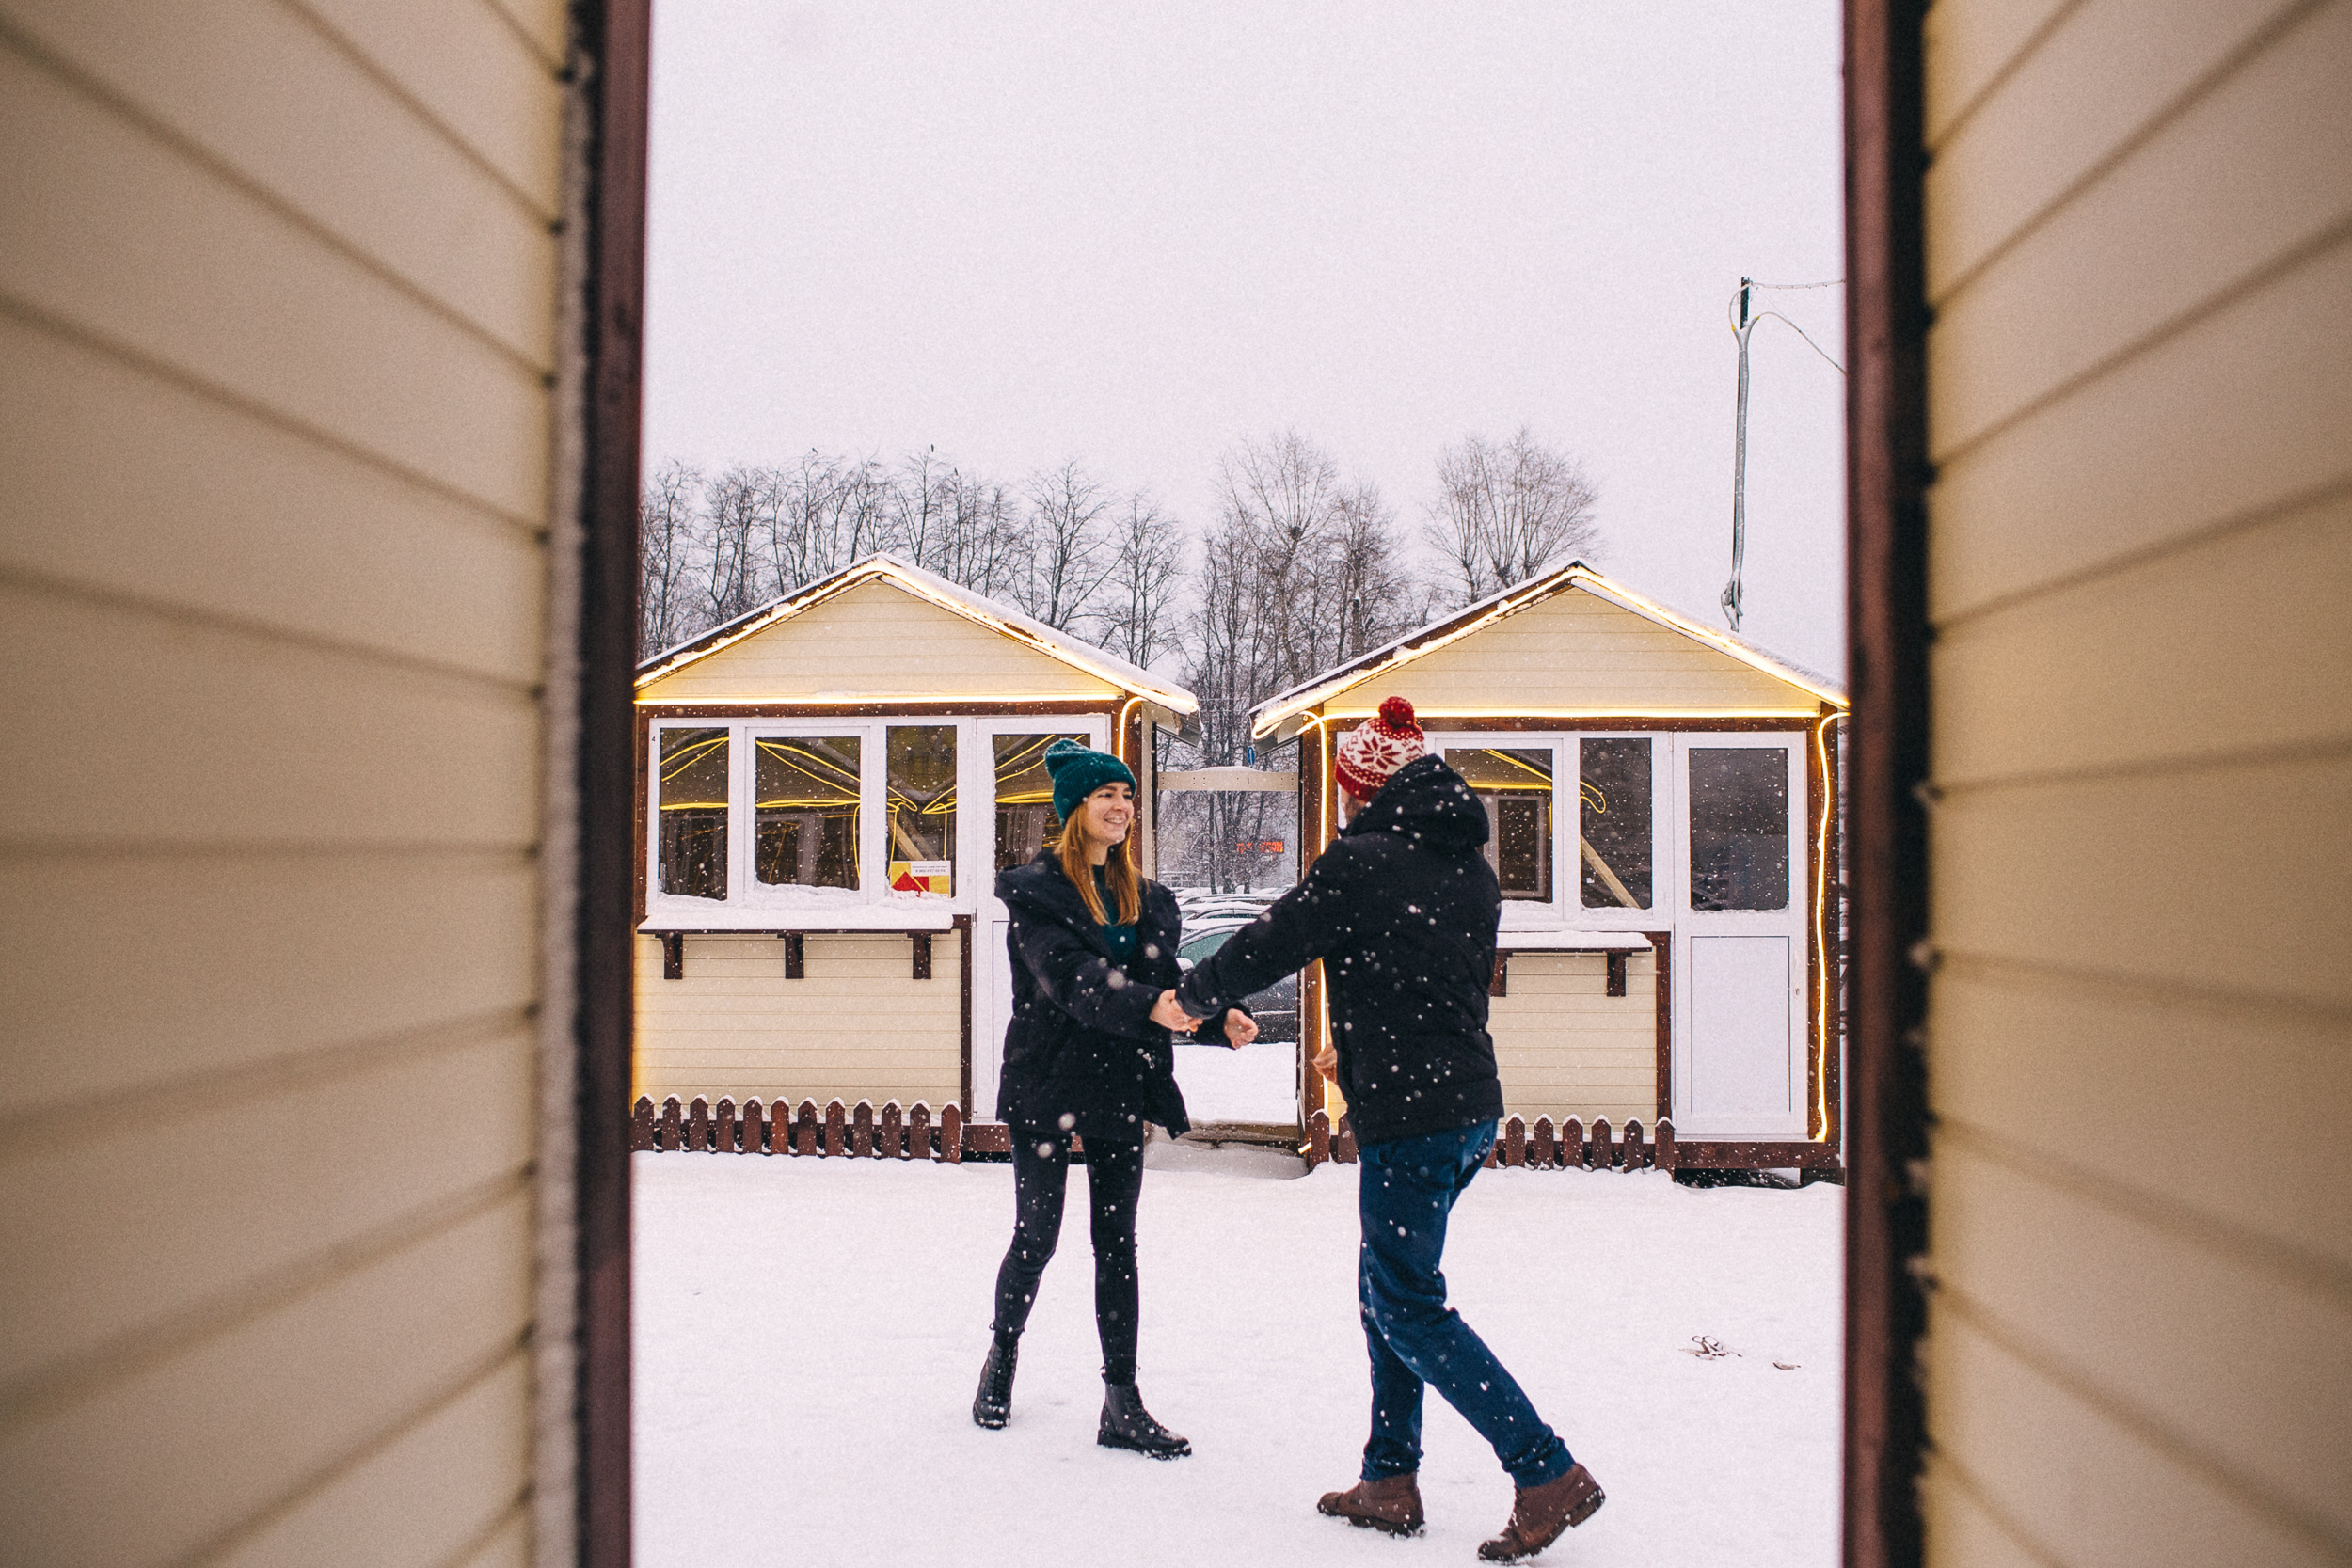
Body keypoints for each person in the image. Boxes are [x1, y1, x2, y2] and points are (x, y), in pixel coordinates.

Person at [1173, 697, 1604, 1561]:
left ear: (1365, 788)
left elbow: (1274, 938)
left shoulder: (1365, 859)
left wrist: (1192, 996)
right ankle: (1389, 1477)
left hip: (1413, 1117)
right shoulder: (1469, 868)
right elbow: (1440, 981)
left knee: (1405, 1302)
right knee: (1388, 1288)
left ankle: (1543, 1467)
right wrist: (1361, 1049)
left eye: (1346, 790)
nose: (1340, 804)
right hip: (1464, 1105)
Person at [975, 738, 1258, 1457]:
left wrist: (1216, 1014)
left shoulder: (1148, 898)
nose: (1121, 807)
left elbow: (1170, 981)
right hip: (1048, 1081)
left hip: (1118, 1085)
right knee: (1036, 1236)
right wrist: (1155, 1006)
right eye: (1107, 795)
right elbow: (1069, 981)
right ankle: (1001, 1357)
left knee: (1117, 1245)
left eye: (1127, 796)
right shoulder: (1037, 897)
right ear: (1075, 809)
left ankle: (1121, 1401)